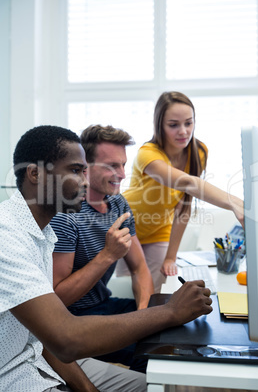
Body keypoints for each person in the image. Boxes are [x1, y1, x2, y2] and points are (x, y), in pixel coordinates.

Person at [0, 124, 213, 392]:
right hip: (15, 373)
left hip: (41, 357)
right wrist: (169, 312)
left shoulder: (44, 234)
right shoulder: (7, 236)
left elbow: (42, 340)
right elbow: (64, 335)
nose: (85, 181)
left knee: (164, 384)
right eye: (77, 171)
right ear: (35, 174)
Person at [50, 124, 154, 371]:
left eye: (123, 164)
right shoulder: (67, 215)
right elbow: (57, 298)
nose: (122, 174)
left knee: (170, 328)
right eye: (111, 166)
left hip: (106, 305)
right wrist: (108, 255)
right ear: (85, 168)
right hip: (74, 319)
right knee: (149, 353)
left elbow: (140, 269)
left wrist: (142, 317)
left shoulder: (118, 204)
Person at [116, 91, 244, 292]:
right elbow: (186, 182)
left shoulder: (198, 152)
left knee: (156, 290)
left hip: (159, 229)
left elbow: (184, 204)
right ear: (160, 125)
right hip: (127, 225)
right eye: (173, 125)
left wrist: (170, 257)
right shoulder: (147, 153)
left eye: (188, 123)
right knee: (132, 290)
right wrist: (234, 203)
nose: (183, 131)